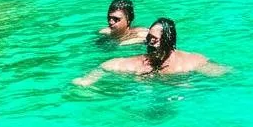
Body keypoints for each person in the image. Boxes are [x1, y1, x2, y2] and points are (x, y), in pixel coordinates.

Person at [74, 18, 228, 84]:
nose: (150, 44)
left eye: (154, 39)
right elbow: (107, 66)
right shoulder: (142, 62)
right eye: (148, 39)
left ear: (168, 41)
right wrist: (89, 79)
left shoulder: (191, 61)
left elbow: (224, 74)